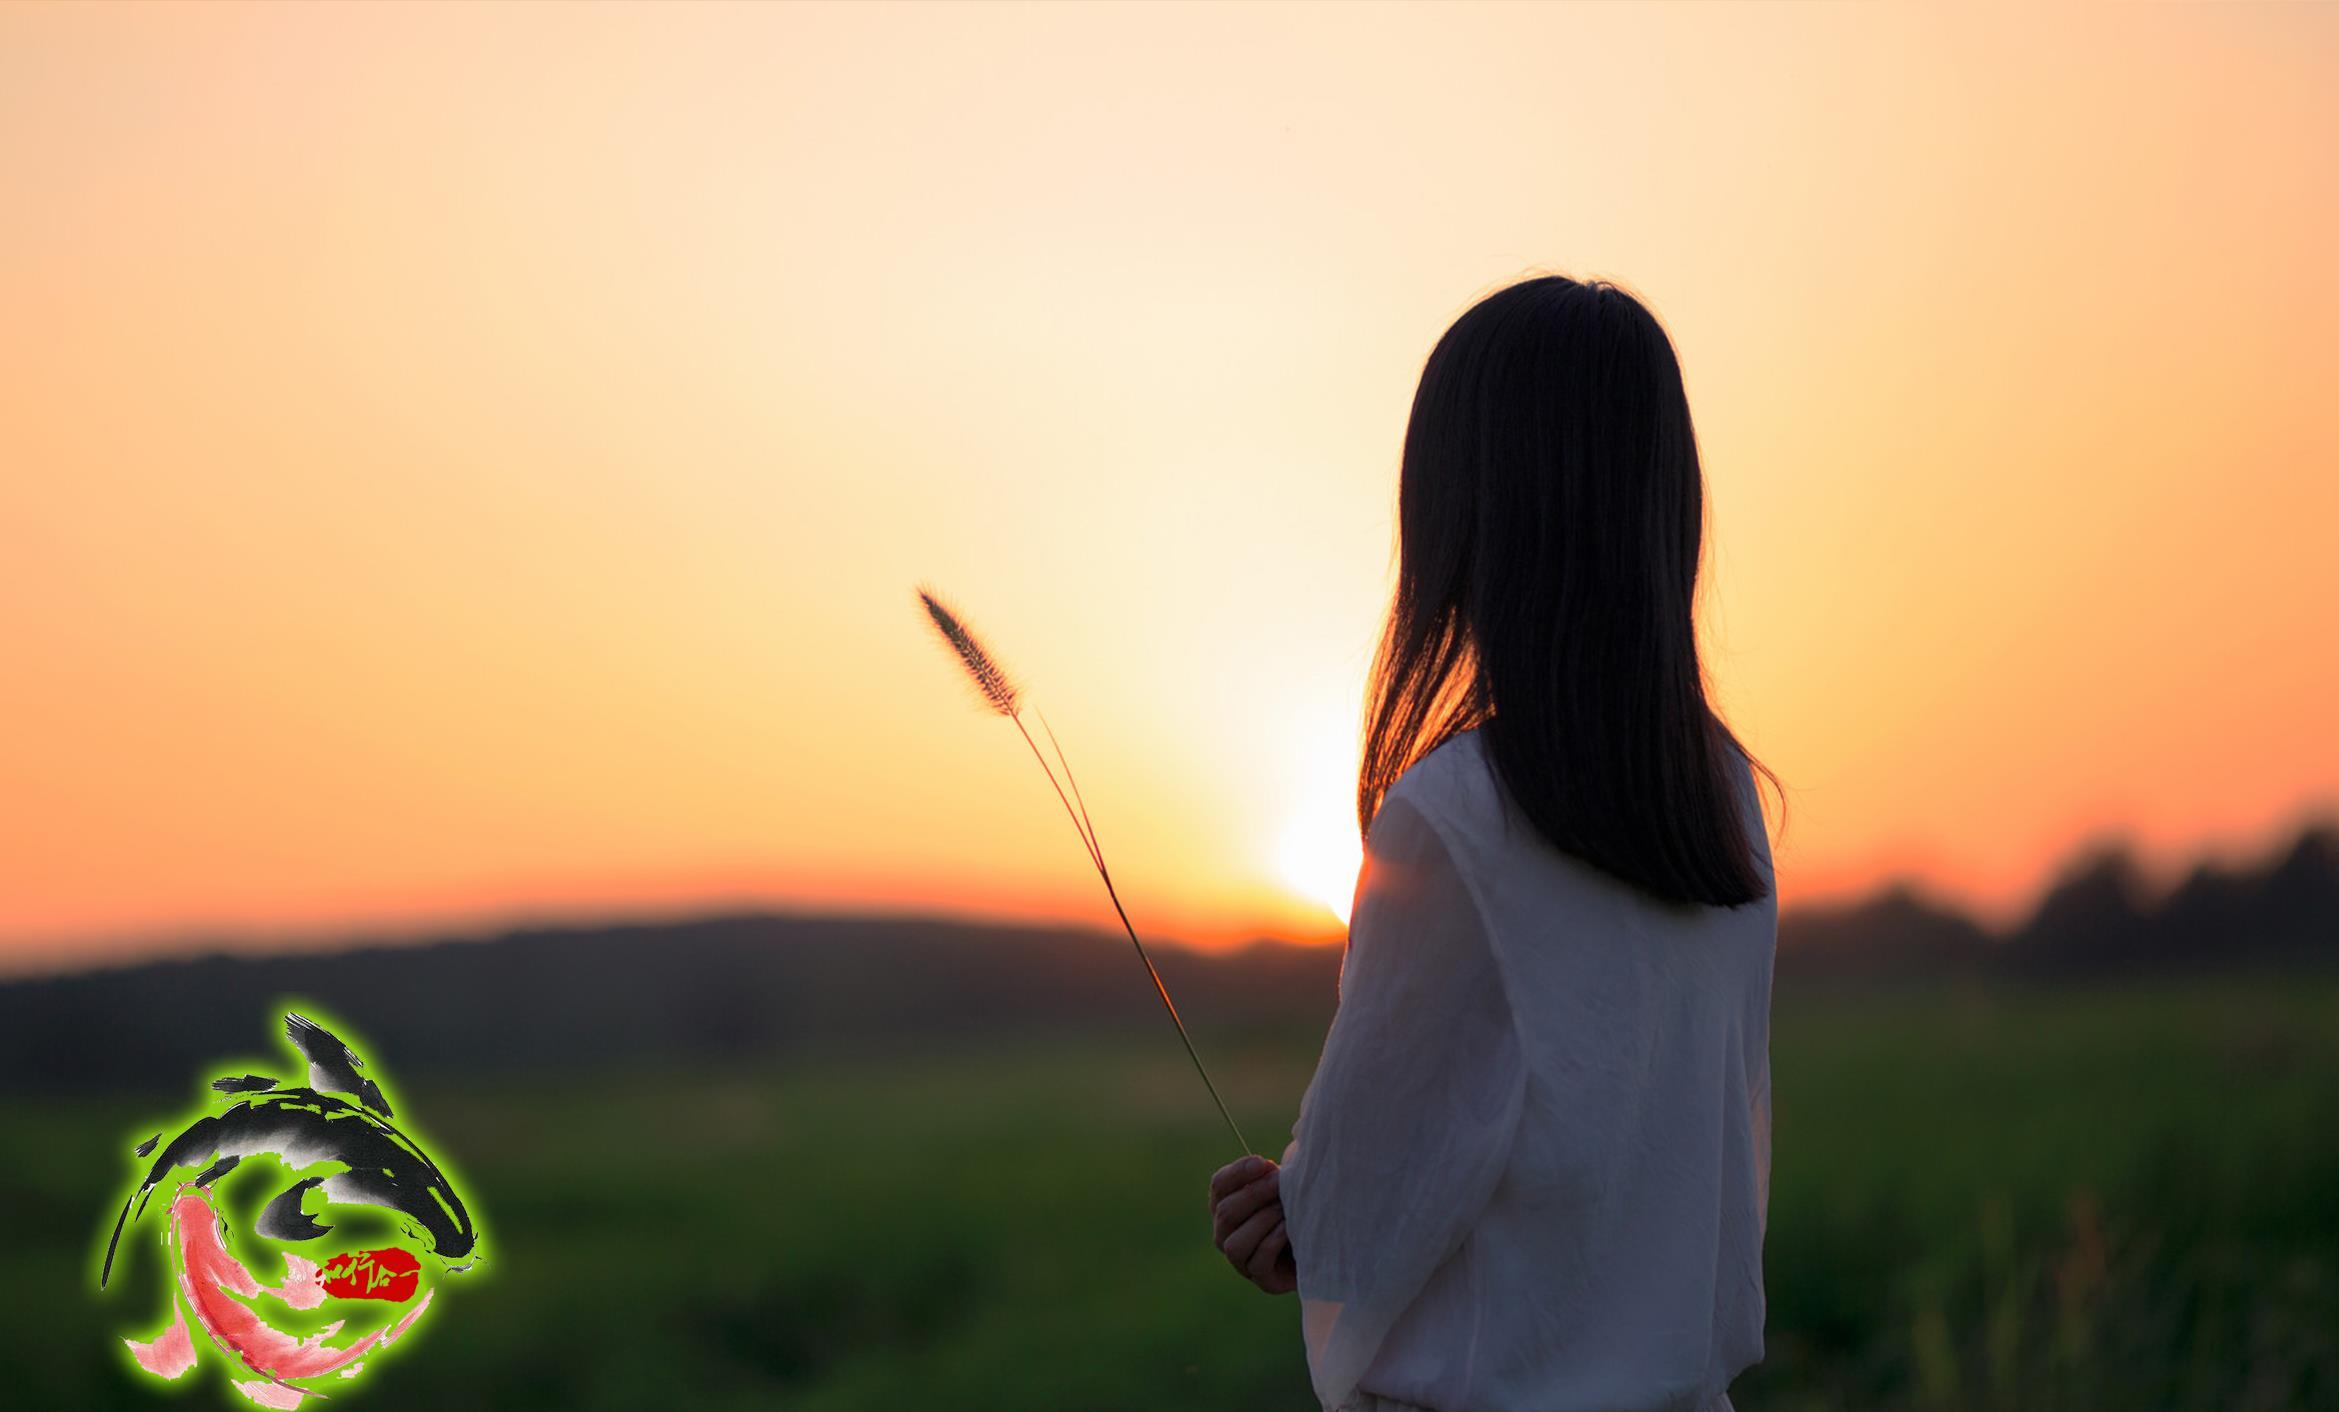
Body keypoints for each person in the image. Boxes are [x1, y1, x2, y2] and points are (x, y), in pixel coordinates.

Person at [1207, 273, 1784, 1412]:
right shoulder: (1722, 795)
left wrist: (1291, 1216)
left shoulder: (1456, 813)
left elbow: (1357, 1228)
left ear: (1465, 506)